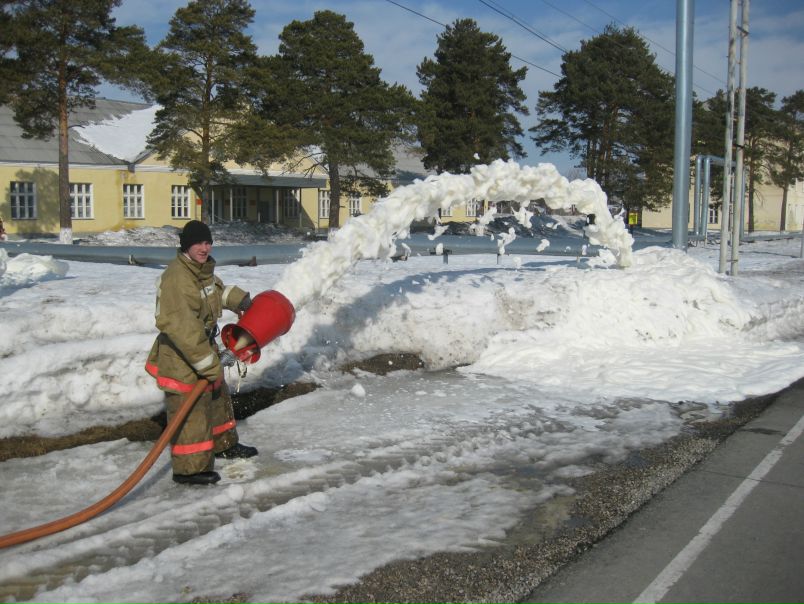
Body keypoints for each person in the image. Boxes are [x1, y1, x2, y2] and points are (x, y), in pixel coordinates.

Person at [145, 220, 257, 486]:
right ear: (186, 245)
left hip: (203, 347)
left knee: (217, 399)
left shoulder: (200, 270)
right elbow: (182, 328)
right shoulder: (177, 278)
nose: (204, 248)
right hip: (183, 356)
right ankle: (189, 469)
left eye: (208, 242)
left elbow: (215, 292)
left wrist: (239, 299)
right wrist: (208, 364)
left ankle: (224, 445)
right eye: (198, 243)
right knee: (191, 410)